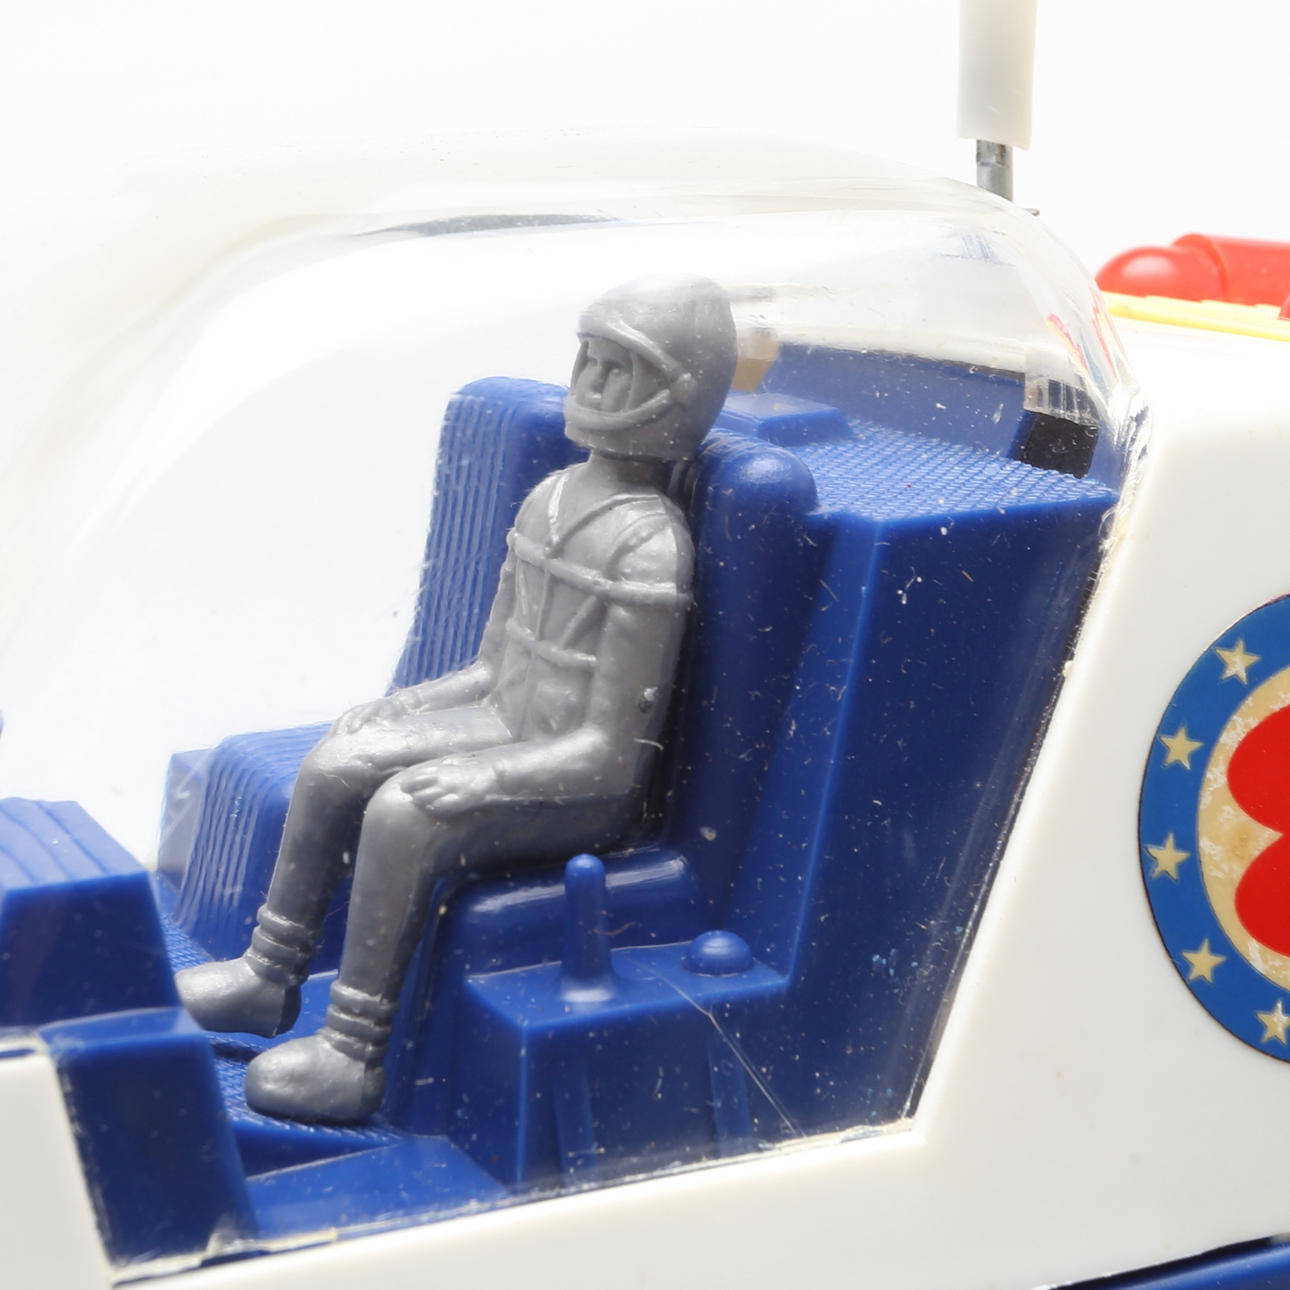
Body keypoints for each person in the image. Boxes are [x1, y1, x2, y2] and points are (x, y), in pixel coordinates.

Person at [175, 274, 739, 1122]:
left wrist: (485, 777)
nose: (591, 381)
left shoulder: (650, 544)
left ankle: (352, 1052)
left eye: (619, 367)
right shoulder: (551, 498)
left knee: (406, 812)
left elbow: (611, 757)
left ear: (671, 392)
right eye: (588, 357)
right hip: (507, 727)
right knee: (339, 761)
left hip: (574, 780)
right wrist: (410, 706)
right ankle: (267, 975)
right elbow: (492, 670)